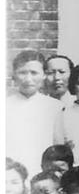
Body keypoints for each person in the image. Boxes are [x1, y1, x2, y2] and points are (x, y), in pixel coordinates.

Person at [6, 50, 61, 179]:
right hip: (11, 174)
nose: (28, 79)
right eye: (22, 73)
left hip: (44, 174)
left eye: (34, 73)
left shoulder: (55, 107)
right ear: (14, 75)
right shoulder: (5, 105)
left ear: (43, 75)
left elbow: (58, 147)